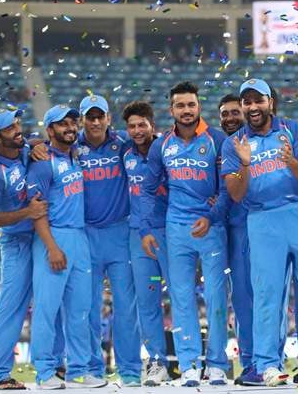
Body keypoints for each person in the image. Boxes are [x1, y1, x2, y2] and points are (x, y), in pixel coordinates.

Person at [221, 78, 298, 387]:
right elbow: (235, 194)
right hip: (261, 219)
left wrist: (292, 162)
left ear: (270, 102)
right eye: (247, 101)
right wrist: (244, 164)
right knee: (267, 293)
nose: (252, 106)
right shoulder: (233, 144)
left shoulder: (294, 130)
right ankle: (268, 364)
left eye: (259, 100)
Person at [140, 81, 230, 387]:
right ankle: (190, 366)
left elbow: (227, 189)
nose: (186, 110)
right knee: (181, 299)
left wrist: (211, 216)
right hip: (176, 229)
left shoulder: (217, 139)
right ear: (172, 110)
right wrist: (148, 228)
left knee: (217, 297)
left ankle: (217, 365)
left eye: (191, 105)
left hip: (211, 229)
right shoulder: (161, 144)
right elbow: (148, 190)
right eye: (180, 105)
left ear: (198, 106)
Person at [26, 105, 107, 389]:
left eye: (73, 122)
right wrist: (51, 247)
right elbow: (36, 211)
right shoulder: (41, 162)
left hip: (79, 237)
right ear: (50, 130)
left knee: (80, 309)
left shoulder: (74, 154)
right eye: (62, 124)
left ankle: (78, 370)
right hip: (54, 237)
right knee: (47, 309)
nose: (70, 127)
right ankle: (45, 371)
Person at [0, 109, 49, 390]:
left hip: (41, 236)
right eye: (10, 128)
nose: (17, 128)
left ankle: (58, 366)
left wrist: (37, 143)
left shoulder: (19, 150)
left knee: (51, 300)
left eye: (17, 122)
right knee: (11, 308)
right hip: (17, 242)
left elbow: (32, 139)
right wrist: (26, 213)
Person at [76, 95, 141, 385]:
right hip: (85, 235)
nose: (95, 122)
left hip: (120, 233)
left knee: (126, 307)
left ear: (108, 118)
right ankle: (92, 368)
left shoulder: (124, 143)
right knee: (87, 306)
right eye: (90, 117)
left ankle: (130, 371)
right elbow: (40, 148)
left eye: (100, 116)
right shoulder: (70, 147)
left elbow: (151, 140)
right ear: (82, 121)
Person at [122, 100, 171, 386]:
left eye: (143, 124)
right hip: (139, 236)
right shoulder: (124, 152)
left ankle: (192, 361)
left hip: (170, 231)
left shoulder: (166, 147)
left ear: (152, 125)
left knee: (180, 297)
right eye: (132, 126)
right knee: (147, 299)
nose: (138, 130)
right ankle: (156, 361)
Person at [217, 93, 257, 385]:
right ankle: (251, 363)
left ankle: (269, 360)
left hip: (261, 225)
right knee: (242, 300)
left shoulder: (264, 140)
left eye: (235, 112)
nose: (230, 118)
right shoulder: (219, 146)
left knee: (268, 298)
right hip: (231, 230)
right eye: (224, 113)